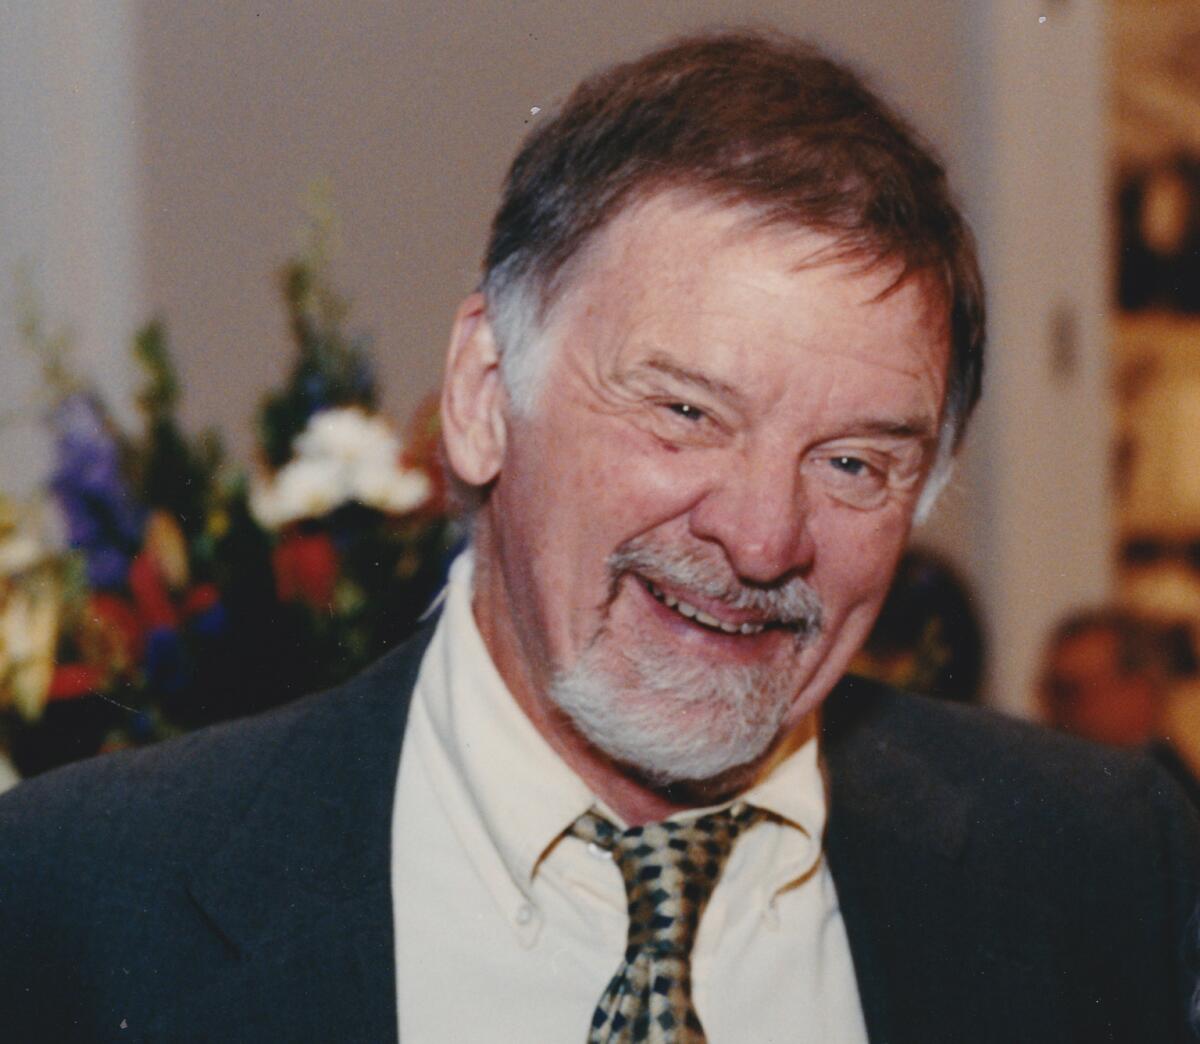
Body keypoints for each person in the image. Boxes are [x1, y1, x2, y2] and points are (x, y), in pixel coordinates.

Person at [1, 30, 1197, 1044]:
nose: (762, 535)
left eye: (853, 464)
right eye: (684, 412)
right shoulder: (84, 905)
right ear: (481, 393)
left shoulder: (1102, 872)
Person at [1041, 606, 1200, 807]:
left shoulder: (1168, 801)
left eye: (1071, 692)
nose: (1056, 709)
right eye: (1051, 690)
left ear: (1139, 693)